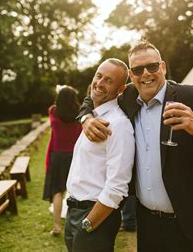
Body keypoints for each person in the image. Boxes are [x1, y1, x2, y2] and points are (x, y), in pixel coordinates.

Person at [79, 41, 193, 251]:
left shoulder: (192, 97)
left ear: (163, 67)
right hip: (149, 227)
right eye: (138, 69)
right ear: (131, 75)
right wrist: (86, 118)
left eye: (152, 66)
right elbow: (93, 96)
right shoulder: (127, 97)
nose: (146, 74)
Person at [65, 58, 135, 252]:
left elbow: (117, 187)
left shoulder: (118, 125)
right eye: (99, 76)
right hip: (74, 213)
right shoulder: (92, 116)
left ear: (121, 89)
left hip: (94, 216)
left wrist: (88, 224)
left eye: (109, 81)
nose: (100, 83)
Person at [42, 85, 83, 236]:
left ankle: (57, 226)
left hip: (58, 156)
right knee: (77, 191)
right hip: (76, 155)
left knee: (57, 191)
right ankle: (76, 224)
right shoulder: (80, 112)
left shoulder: (53, 111)